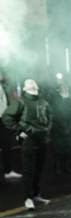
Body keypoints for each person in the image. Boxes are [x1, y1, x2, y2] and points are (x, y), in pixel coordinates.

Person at [2, 79, 53, 210]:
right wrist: (20, 130)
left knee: (38, 169)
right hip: (29, 141)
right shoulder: (21, 102)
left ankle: (35, 195)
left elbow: (49, 117)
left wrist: (46, 131)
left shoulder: (43, 102)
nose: (33, 91)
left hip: (41, 139)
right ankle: (28, 198)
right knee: (29, 170)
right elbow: (6, 117)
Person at [0, 69, 22, 180]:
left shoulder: (3, 87)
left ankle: (8, 170)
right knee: (6, 145)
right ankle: (7, 170)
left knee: (6, 145)